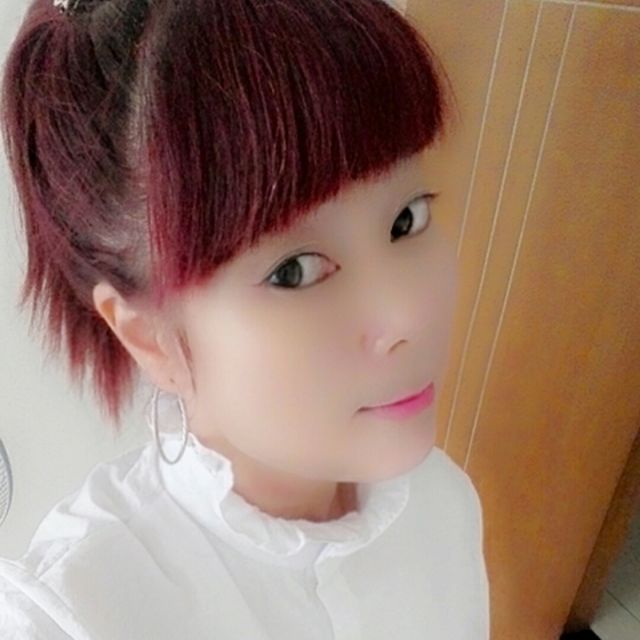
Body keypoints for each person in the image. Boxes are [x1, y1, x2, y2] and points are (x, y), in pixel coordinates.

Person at [0, 0, 490, 637]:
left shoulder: (441, 501)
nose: (407, 314)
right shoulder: (79, 614)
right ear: (149, 338)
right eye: (295, 271)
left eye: (406, 219)